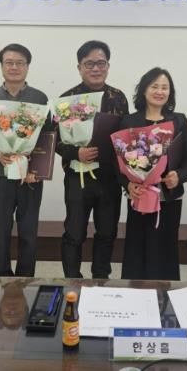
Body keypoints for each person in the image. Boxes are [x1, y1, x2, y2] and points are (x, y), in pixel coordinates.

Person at [0, 43, 49, 277]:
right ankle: (1, 278)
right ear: (2, 66)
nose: (14, 67)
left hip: (30, 177)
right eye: (9, 62)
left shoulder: (39, 98)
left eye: (20, 63)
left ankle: (25, 279)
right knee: (0, 232)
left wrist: (36, 169)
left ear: (27, 67)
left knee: (28, 231)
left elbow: (47, 137)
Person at [117, 67, 187, 280]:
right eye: (154, 86)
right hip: (139, 195)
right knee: (137, 246)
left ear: (170, 93)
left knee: (165, 247)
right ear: (144, 90)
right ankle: (135, 292)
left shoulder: (179, 120)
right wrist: (128, 184)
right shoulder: (129, 122)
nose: (160, 91)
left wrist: (179, 176)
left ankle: (164, 293)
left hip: (169, 197)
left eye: (165, 87)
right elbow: (116, 162)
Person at [57, 40, 129, 279]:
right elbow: (55, 140)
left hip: (109, 177)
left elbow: (125, 137)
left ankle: (101, 279)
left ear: (108, 66)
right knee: (74, 232)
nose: (96, 68)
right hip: (77, 176)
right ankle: (72, 279)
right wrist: (75, 153)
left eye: (101, 63)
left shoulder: (118, 98)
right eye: (89, 64)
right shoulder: (66, 99)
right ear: (79, 67)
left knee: (107, 231)